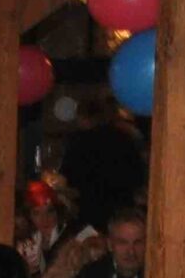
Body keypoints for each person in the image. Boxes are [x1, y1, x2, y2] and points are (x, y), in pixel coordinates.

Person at [59, 97, 147, 234]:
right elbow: (138, 177)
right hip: (121, 209)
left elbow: (67, 178)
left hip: (88, 209)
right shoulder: (124, 139)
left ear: (83, 118)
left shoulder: (78, 143)